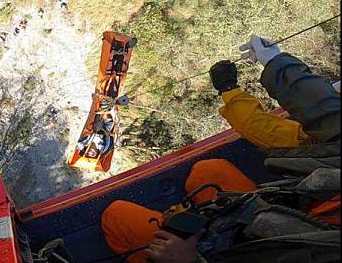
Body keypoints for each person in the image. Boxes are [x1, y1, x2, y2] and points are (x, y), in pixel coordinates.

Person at [101, 35, 340, 263]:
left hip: (240, 253)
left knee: (117, 216)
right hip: (272, 215)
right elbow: (327, 121)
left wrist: (189, 259)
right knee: (208, 172)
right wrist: (271, 65)